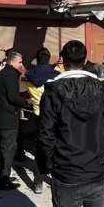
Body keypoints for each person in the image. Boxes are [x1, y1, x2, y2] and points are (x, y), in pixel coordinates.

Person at [37, 40, 104, 207]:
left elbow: (45, 135)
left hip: (67, 174)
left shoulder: (53, 92)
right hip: (94, 172)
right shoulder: (103, 90)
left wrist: (48, 166)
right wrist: (102, 159)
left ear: (62, 60)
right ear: (85, 60)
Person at [0, 49, 30, 190]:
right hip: (8, 119)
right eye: (20, 62)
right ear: (13, 62)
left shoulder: (3, 73)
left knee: (3, 150)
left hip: (2, 117)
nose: (21, 64)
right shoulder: (9, 75)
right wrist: (27, 102)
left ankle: (1, 176)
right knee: (7, 151)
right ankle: (4, 180)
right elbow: (13, 97)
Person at [24, 48, 61, 194]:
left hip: (38, 113)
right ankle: (56, 180)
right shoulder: (57, 76)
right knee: (57, 148)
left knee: (39, 148)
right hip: (54, 115)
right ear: (49, 58)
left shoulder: (29, 74)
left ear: (37, 59)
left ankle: (38, 182)